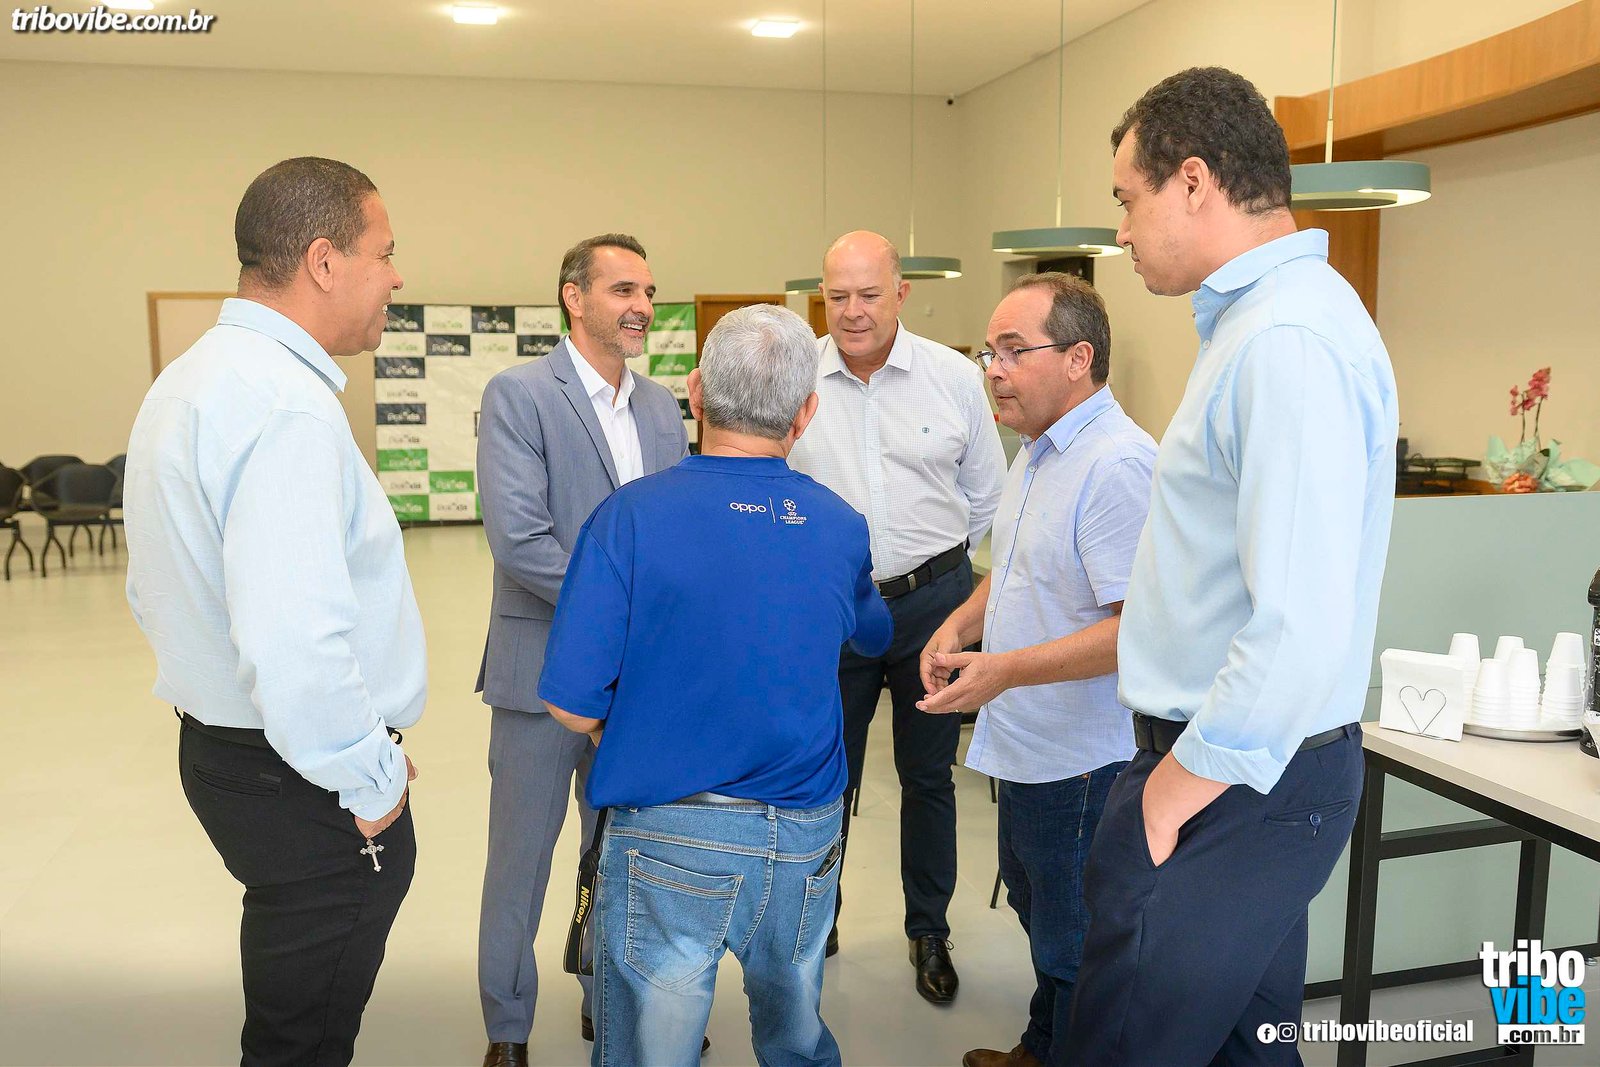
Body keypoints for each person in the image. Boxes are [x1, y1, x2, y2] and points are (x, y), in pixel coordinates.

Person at [1064, 67, 1399, 1065]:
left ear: (1194, 180)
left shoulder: (1285, 340)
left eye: (1127, 200)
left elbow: (1293, 628)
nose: (1120, 231)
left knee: (1126, 1044)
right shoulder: (1263, 324)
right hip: (1247, 767)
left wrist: (1166, 796)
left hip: (1230, 773)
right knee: (1245, 1052)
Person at [124, 156, 423, 1067]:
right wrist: (369, 776)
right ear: (325, 262)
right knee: (302, 1042)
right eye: (384, 253)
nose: (397, 277)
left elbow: (154, 588)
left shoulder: (194, 378)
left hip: (230, 751)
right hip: (301, 778)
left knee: (289, 1019)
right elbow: (294, 641)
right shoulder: (284, 406)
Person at [538, 303, 893, 1067]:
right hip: (803, 835)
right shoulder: (839, 523)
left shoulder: (628, 518)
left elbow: (569, 700)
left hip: (668, 831)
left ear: (695, 393)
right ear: (807, 412)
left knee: (653, 1051)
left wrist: (637, 728)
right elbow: (875, 634)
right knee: (796, 1033)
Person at [916, 273, 1154, 1067]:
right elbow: (1015, 570)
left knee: (1073, 935)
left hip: (1082, 758)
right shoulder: (1038, 451)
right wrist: (958, 623)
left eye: (1014, 351)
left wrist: (1005, 670)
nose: (994, 369)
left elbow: (1136, 631)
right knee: (1034, 900)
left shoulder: (1117, 465)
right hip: (1027, 741)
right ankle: (1043, 1045)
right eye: (991, 352)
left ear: (1078, 359)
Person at [474, 233, 689, 1067]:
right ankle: (507, 1027)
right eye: (624, 289)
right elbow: (521, 541)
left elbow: (674, 532)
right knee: (520, 862)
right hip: (540, 675)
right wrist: (629, 609)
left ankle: (609, 1000)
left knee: (622, 854)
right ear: (575, 296)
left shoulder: (662, 408)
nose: (642, 306)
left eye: (649, 291)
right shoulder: (521, 395)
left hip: (638, 686)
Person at [787, 230, 1006, 1003]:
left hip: (933, 608)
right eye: (837, 296)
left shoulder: (953, 377)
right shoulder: (795, 379)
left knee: (928, 775)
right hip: (831, 607)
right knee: (825, 776)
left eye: (869, 294)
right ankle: (817, 919)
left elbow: (988, 496)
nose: (852, 311)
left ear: (901, 292)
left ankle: (928, 928)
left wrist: (932, 573)